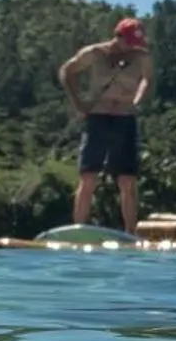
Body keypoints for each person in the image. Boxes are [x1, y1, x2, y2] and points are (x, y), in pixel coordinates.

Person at [57, 17, 153, 233]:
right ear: (117, 36)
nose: (132, 47)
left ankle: (130, 232)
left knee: (127, 181)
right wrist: (78, 102)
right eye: (129, 42)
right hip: (98, 117)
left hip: (125, 117)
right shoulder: (95, 53)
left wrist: (137, 99)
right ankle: (79, 229)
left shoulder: (141, 56)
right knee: (88, 177)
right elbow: (67, 70)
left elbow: (147, 79)